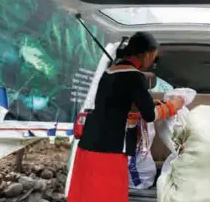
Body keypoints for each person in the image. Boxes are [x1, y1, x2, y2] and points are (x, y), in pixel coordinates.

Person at [67, 32, 184, 202]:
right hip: (110, 149)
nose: (153, 62)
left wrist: (150, 103)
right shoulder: (134, 76)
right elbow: (150, 116)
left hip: (88, 143)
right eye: (153, 57)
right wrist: (174, 106)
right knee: (108, 195)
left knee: (87, 194)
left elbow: (118, 102)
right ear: (146, 54)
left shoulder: (109, 72)